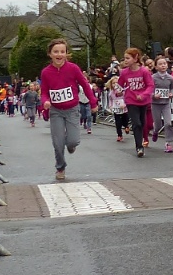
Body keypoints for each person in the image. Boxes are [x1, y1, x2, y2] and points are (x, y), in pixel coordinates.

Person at [40, 38, 98, 181]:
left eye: (62, 51)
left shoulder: (73, 68)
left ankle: (70, 145)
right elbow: (44, 92)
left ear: (66, 53)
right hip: (56, 111)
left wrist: (93, 102)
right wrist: (45, 101)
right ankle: (60, 167)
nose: (59, 54)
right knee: (57, 143)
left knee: (73, 141)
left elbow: (85, 85)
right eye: (56, 52)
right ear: (50, 54)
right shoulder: (46, 72)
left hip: (72, 109)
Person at [118, 48, 154, 158]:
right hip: (131, 101)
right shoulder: (124, 72)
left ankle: (141, 140)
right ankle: (139, 147)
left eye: (128, 58)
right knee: (136, 123)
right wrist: (118, 91)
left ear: (135, 58)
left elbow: (150, 85)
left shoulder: (144, 71)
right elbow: (119, 85)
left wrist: (143, 95)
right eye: (125, 58)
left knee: (142, 123)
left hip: (143, 101)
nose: (125, 60)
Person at [151, 56, 173, 153]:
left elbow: (172, 89)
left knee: (168, 123)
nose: (163, 66)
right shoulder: (153, 78)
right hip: (155, 104)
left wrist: (171, 94)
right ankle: (155, 131)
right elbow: (149, 90)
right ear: (156, 67)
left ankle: (168, 143)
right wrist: (154, 95)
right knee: (158, 124)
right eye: (160, 64)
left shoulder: (170, 78)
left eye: (164, 63)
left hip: (166, 104)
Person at [105, 76, 129, 142]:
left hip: (124, 108)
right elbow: (110, 100)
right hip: (116, 109)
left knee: (125, 120)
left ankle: (126, 126)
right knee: (118, 123)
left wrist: (125, 105)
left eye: (117, 83)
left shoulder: (123, 91)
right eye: (113, 83)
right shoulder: (111, 93)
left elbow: (127, 98)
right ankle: (119, 135)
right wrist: (110, 106)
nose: (115, 84)